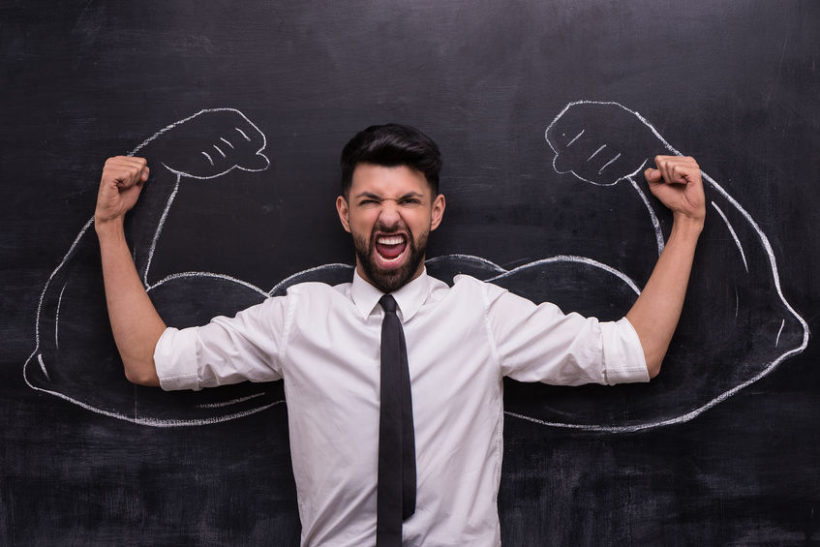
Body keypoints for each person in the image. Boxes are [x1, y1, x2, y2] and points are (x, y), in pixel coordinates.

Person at [94, 123, 705, 546]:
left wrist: (688, 224)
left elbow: (634, 352)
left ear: (434, 214)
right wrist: (110, 227)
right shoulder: (297, 317)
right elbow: (153, 361)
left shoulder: (482, 313)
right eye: (370, 201)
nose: (389, 216)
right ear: (344, 214)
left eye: (409, 200)